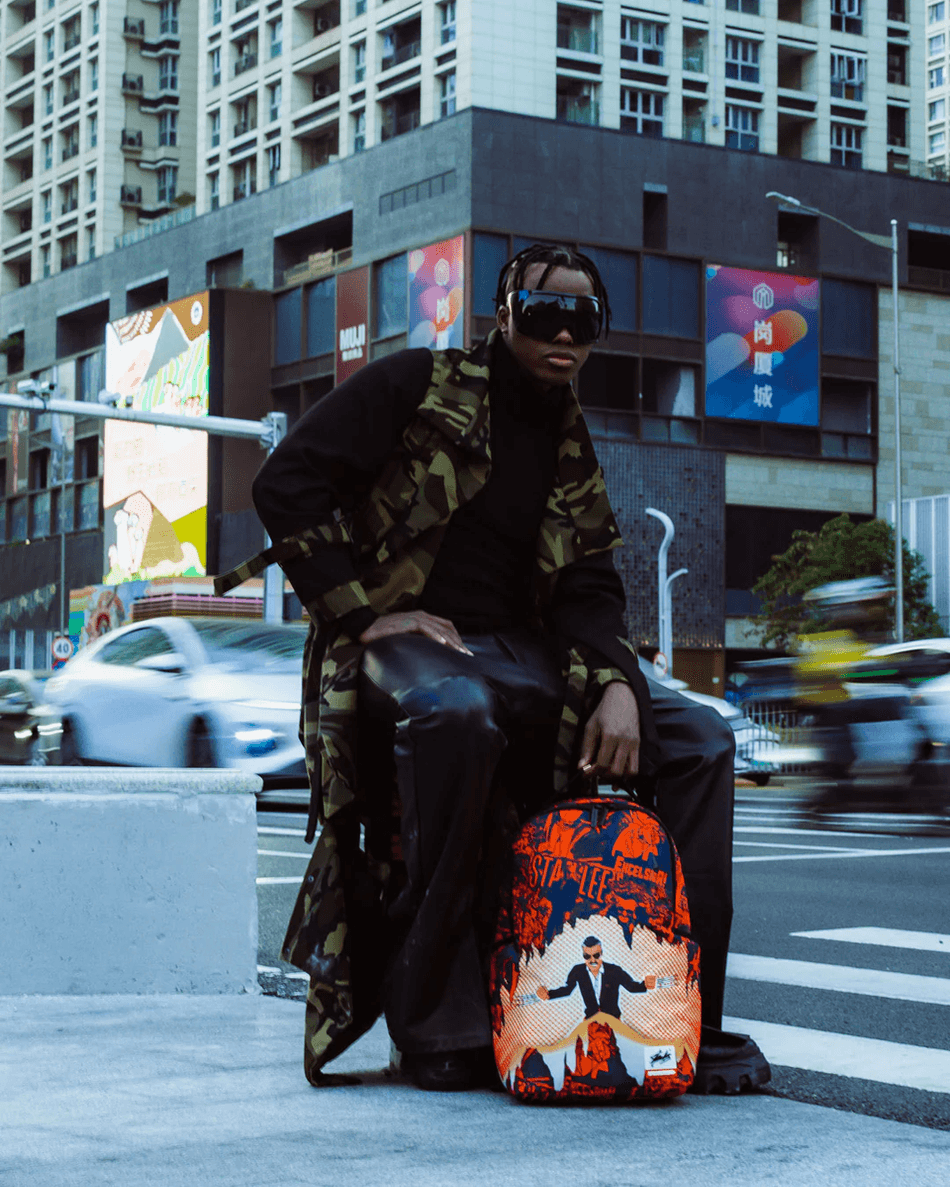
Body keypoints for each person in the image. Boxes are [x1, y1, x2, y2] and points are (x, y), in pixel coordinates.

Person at [221, 242, 770, 1094]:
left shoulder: (569, 440)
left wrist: (618, 683)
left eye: (584, 320)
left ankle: (680, 1017)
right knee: (457, 712)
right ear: (505, 314)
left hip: (531, 654)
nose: (564, 335)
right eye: (545, 313)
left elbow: (590, 583)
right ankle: (437, 1026)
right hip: (410, 649)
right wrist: (363, 613)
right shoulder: (417, 384)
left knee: (701, 738)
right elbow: (284, 481)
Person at [537, 936, 656, 1019]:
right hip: (591, 1020)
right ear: (583, 955)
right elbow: (567, 990)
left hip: (613, 1020)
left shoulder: (614, 971)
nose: (592, 960)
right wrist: (548, 994)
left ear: (601, 953)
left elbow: (632, 987)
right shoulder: (578, 971)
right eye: (587, 956)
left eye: (596, 955)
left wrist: (646, 984)